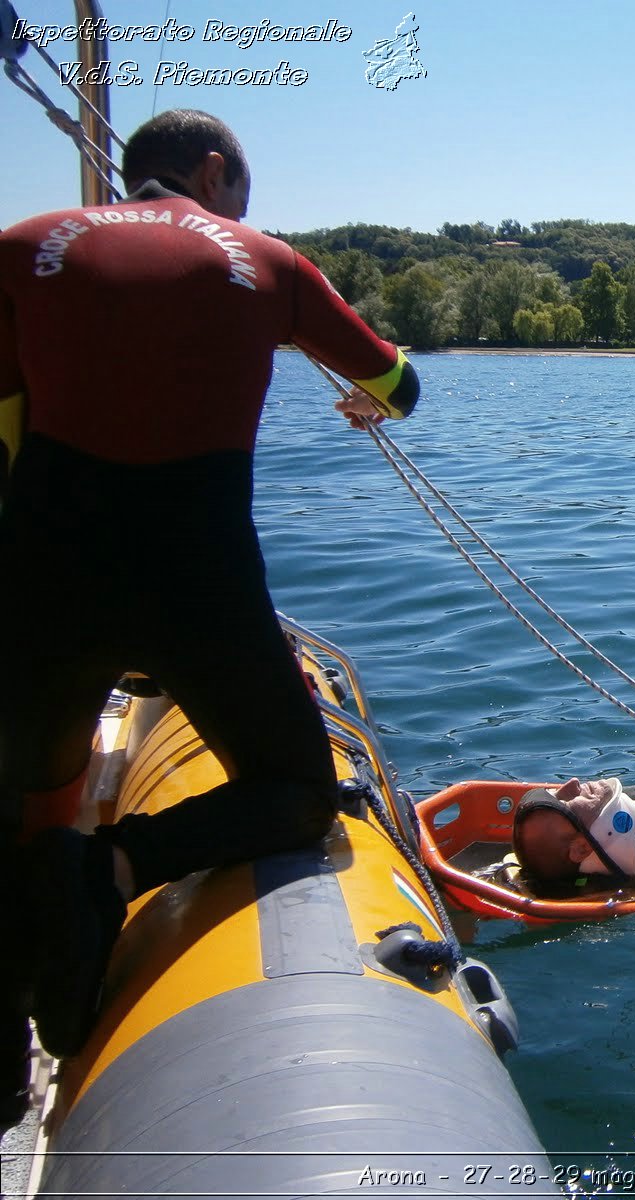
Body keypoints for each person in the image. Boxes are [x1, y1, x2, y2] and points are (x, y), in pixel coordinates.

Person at [0, 109, 420, 1085]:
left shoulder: (21, 248)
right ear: (216, 171)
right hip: (199, 584)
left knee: (30, 794)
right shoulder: (268, 264)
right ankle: (114, 869)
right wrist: (366, 396)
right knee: (294, 794)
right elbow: (396, 382)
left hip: (39, 578)